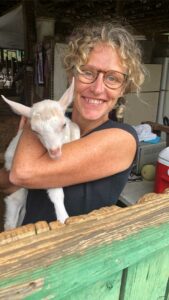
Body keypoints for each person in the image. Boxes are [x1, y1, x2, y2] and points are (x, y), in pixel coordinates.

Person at [0, 21, 146, 225]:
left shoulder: (122, 139)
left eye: (112, 78)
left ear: (123, 88)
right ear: (71, 75)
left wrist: (34, 120)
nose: (97, 88)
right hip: (30, 244)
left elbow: (22, 173)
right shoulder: (52, 124)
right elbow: (8, 184)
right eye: (87, 72)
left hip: (74, 253)